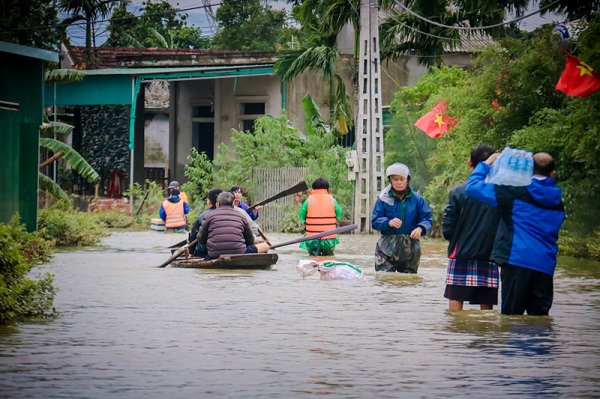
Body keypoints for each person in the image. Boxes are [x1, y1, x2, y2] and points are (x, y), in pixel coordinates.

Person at [465, 152, 565, 315]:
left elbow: (473, 187)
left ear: (529, 169)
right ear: (552, 173)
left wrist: (486, 164)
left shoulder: (513, 192)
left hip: (517, 260)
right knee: (539, 320)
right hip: (545, 265)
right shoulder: (558, 200)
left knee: (511, 318)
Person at [443, 145, 501, 310]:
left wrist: (455, 239)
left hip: (461, 252)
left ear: (470, 163)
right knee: (486, 299)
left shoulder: (457, 192)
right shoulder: (499, 192)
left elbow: (448, 228)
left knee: (456, 294)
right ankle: (484, 334)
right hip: (489, 253)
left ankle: (455, 331)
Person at [371, 163, 433, 273]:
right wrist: (388, 222)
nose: (398, 182)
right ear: (390, 180)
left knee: (409, 279)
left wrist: (420, 228)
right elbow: (375, 221)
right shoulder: (383, 199)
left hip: (411, 245)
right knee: (384, 278)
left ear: (407, 180)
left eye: (401, 179)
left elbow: (427, 218)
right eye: (395, 179)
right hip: (386, 245)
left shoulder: (417, 199)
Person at [197, 191, 270, 259]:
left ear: (218, 204)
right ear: (233, 204)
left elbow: (201, 239)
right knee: (265, 246)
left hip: (214, 253)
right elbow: (250, 240)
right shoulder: (241, 216)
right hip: (239, 252)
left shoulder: (208, 216)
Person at [298, 177, 343, 256]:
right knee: (328, 258)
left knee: (313, 259)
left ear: (313, 188)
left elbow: (301, 216)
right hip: (329, 239)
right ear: (327, 188)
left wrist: (309, 221)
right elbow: (339, 214)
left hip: (312, 239)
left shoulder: (308, 200)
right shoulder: (332, 200)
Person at [189, 188, 223, 257]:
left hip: (206, 252)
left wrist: (191, 251)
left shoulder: (203, 216)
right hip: (234, 249)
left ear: (209, 202)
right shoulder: (235, 213)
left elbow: (194, 236)